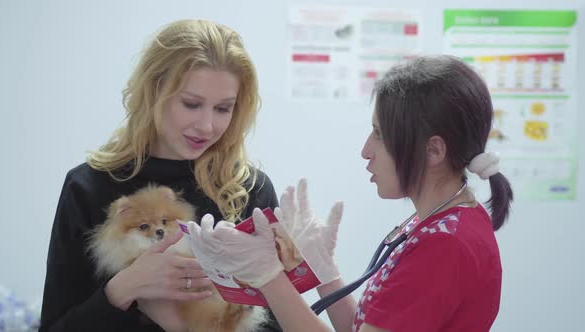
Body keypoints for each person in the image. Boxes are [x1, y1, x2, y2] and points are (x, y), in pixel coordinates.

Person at [185, 55, 513, 332]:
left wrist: (269, 279)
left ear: (433, 151)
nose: (366, 151)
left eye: (380, 135)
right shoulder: (444, 220)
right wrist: (326, 274)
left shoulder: (445, 246)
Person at [39, 19, 282, 332]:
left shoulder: (249, 190)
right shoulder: (87, 187)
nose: (207, 125)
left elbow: (278, 323)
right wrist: (123, 288)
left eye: (223, 109)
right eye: (191, 104)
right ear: (154, 91)